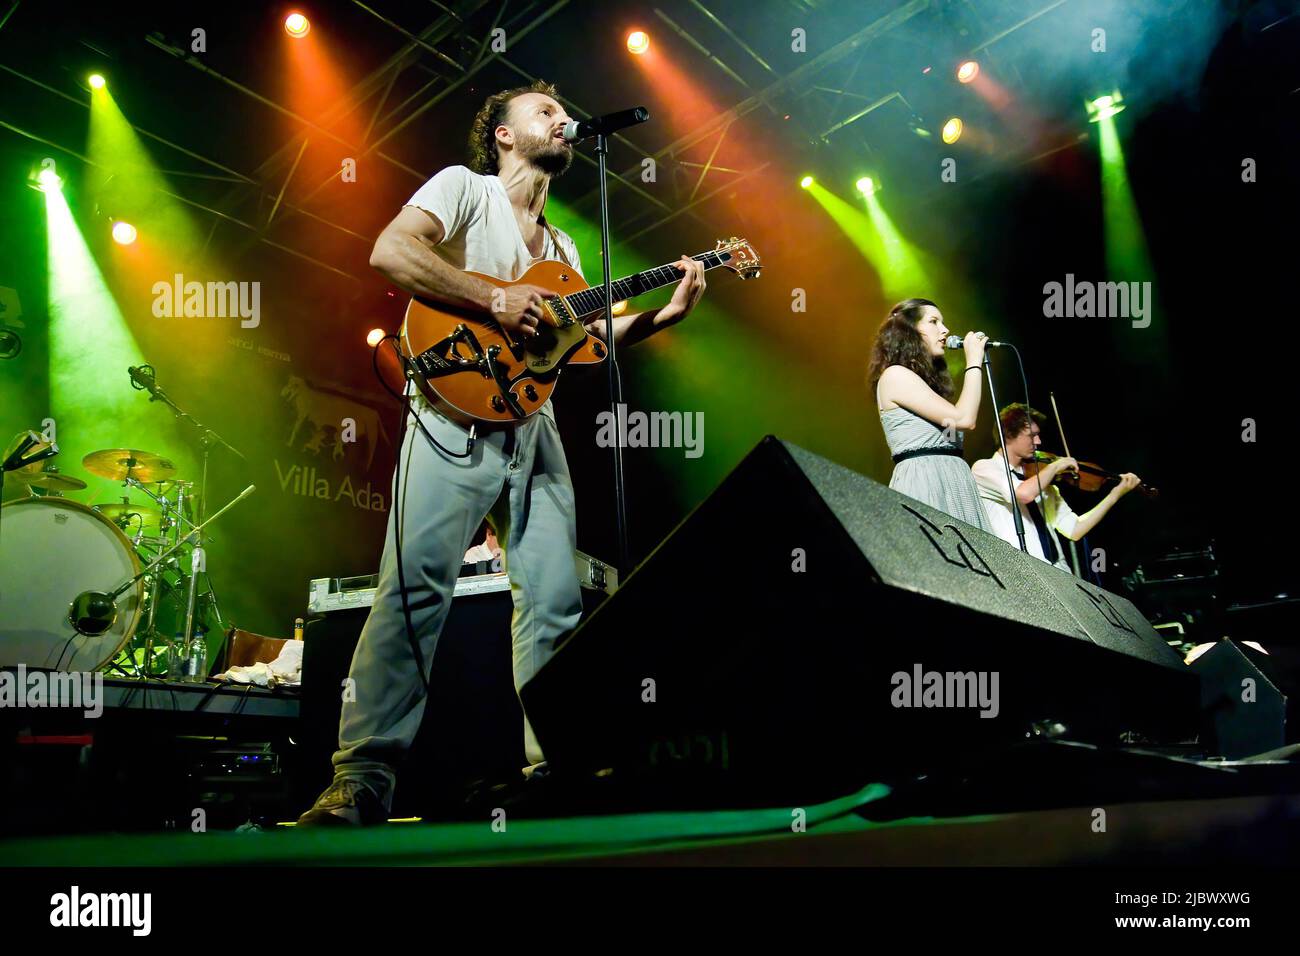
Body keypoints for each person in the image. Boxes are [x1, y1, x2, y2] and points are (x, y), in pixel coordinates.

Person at [298, 80, 707, 826]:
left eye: (564, 111)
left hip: (534, 428)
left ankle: (555, 769)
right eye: (545, 111)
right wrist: (493, 300)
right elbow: (390, 251)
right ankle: (361, 779)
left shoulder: (564, 247)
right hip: (448, 416)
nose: (564, 119)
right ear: (504, 135)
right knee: (414, 592)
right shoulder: (463, 189)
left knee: (553, 600)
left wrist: (664, 315)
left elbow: (584, 342)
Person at [867, 298, 993, 531]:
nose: (945, 330)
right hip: (925, 480)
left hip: (955, 480)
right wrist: (974, 361)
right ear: (909, 330)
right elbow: (964, 419)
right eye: (934, 321)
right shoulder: (895, 375)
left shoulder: (923, 385)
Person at [970, 404, 1141, 570]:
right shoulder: (985, 468)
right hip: (1019, 570)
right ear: (1008, 435)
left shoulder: (1043, 483)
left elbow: (1074, 530)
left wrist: (1114, 495)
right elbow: (1023, 494)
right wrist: (1055, 466)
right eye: (1032, 435)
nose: (1038, 441)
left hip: (1058, 570)